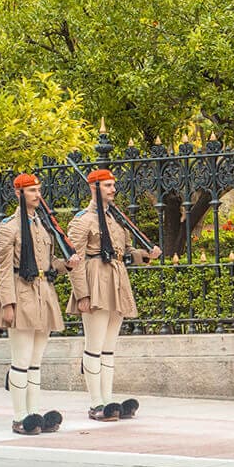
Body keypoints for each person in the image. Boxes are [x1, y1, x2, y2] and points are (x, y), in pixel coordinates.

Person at [0, 173, 79, 435]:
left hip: (44, 293)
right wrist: (7, 303)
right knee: (21, 359)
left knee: (36, 361)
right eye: (31, 191)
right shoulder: (8, 228)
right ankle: (19, 416)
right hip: (21, 292)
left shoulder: (43, 225)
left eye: (38, 190)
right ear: (18, 194)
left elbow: (49, 265)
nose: (37, 195)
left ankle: (33, 414)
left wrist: (67, 265)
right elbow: (3, 270)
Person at [66, 168, 161, 421]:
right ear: (94, 188)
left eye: (112, 185)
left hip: (117, 280)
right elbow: (75, 261)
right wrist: (81, 294)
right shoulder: (81, 220)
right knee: (94, 345)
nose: (113, 189)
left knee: (109, 347)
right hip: (95, 280)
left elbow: (126, 251)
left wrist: (147, 255)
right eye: (108, 186)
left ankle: (108, 400)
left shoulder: (116, 219)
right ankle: (96, 402)